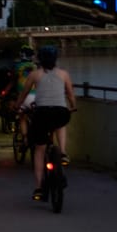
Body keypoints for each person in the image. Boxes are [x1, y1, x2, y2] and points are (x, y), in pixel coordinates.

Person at [23, 45, 76, 200]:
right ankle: (64, 153)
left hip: (41, 114)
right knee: (60, 123)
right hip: (60, 112)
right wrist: (73, 107)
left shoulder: (34, 74)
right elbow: (71, 95)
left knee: (40, 150)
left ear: (39, 59)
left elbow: (24, 93)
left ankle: (39, 188)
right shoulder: (64, 74)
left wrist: (18, 104)